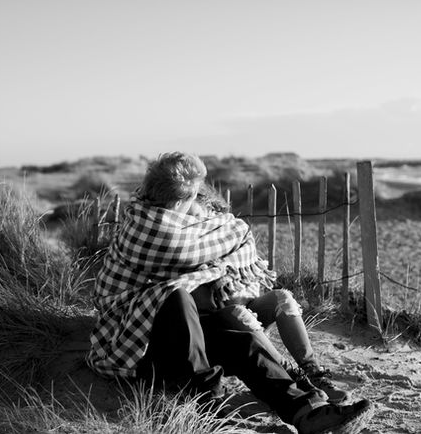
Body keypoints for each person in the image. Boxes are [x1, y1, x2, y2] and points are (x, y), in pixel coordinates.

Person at [87, 152, 374, 433]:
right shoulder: (148, 228)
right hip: (139, 344)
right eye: (193, 196)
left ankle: (307, 412)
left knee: (242, 341)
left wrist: (214, 271)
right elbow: (187, 254)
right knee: (174, 296)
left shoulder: (170, 218)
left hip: (187, 340)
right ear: (179, 201)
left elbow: (230, 236)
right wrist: (214, 271)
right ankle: (206, 401)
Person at [189, 182, 350, 403]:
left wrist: (232, 278)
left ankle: (313, 373)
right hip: (214, 333)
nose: (197, 222)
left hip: (243, 314)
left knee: (282, 298)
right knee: (237, 311)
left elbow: (251, 277)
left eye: (201, 215)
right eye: (191, 216)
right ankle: (297, 381)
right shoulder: (182, 245)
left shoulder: (224, 235)